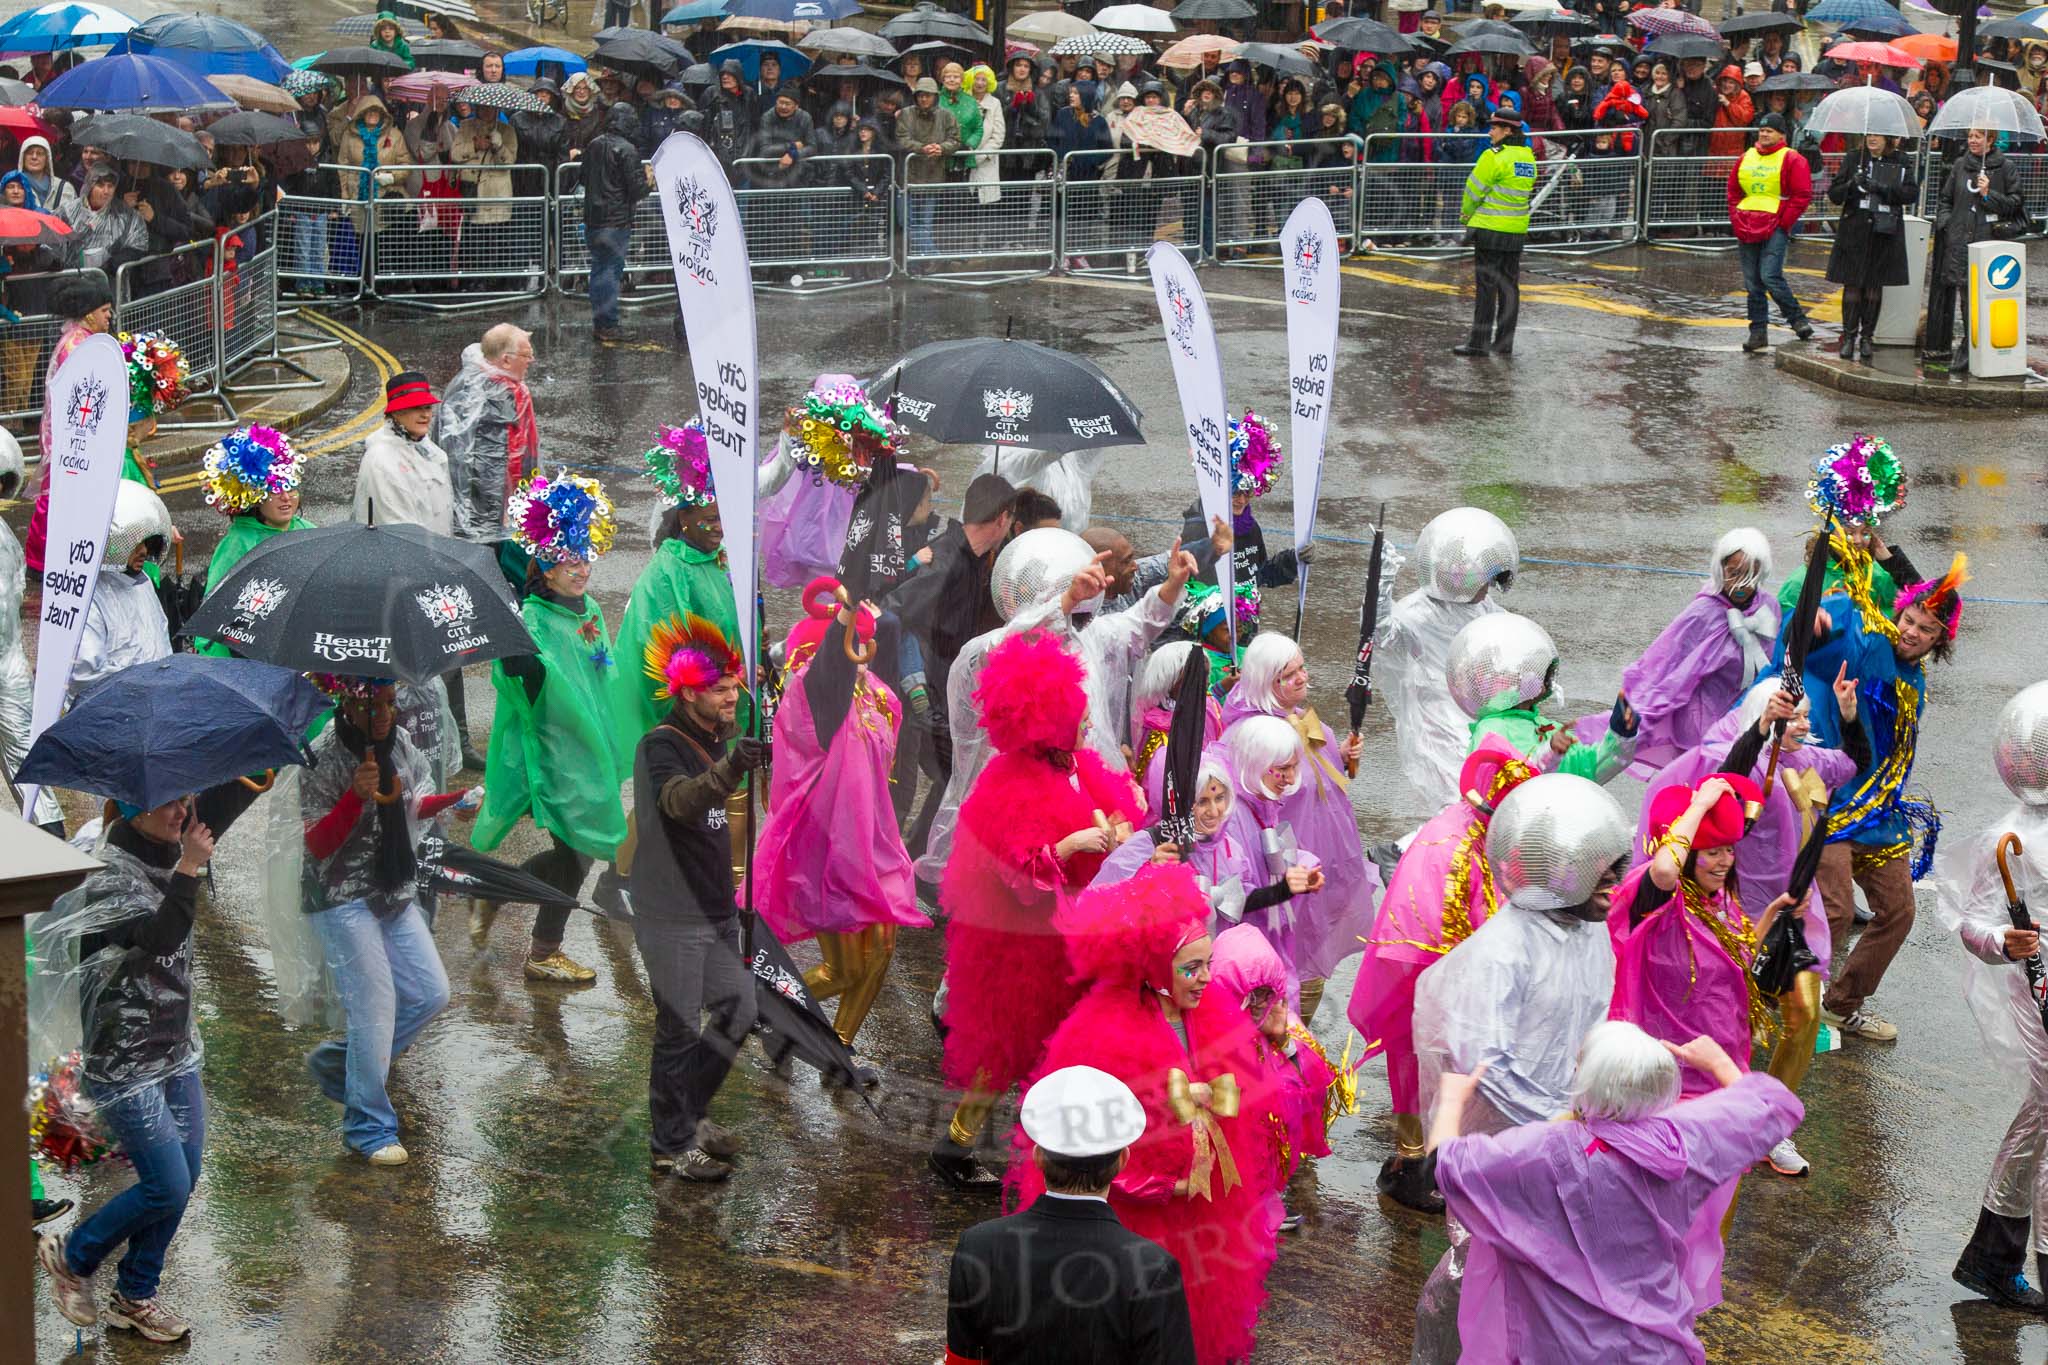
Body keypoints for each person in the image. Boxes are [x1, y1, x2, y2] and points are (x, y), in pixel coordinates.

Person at [1005, 865, 1283, 1365]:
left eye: (1207, 964)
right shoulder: (1101, 1032)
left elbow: (1241, 1106)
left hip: (1199, 1208)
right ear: (1155, 965)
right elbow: (1079, 1143)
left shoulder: (1213, 1015)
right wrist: (1159, 1181)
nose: (1203, 980)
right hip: (1130, 1216)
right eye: (1190, 968)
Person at [1409, 772, 1633, 1364]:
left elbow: (1590, 1026)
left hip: (1564, 1131)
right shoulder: (1501, 952)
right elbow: (1484, 1063)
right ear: (1560, 874)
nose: (1615, 883)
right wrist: (1554, 1127)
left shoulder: (1590, 936)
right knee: (1477, 1269)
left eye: (1615, 867)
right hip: (1503, 1136)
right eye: (1601, 872)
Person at [30, 774, 263, 1341]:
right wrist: (189, 869)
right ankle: (74, 1256)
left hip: (175, 1048)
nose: (183, 810)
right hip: (122, 1060)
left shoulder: (170, 844)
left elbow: (234, 794)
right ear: (134, 808)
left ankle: (134, 1294)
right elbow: (158, 936)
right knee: (165, 1184)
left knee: (185, 1175)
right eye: (170, 801)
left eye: (187, 798)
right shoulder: (109, 874)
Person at [1430, 1023, 1803, 1364]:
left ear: (1585, 1079)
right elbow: (1769, 1109)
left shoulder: (1540, 1152)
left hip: (1560, 1348)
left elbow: (1441, 1167)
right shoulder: (1686, 1140)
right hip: (1658, 1347)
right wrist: (1719, 1061)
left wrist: (1451, 1100)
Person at [929, 629, 1144, 1192]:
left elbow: (1121, 810)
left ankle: (1055, 1150)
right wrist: (1074, 845)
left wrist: (1115, 829)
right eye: (1074, 715)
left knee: (1059, 1041)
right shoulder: (1008, 784)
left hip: (1068, 936)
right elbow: (1018, 873)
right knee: (1006, 1047)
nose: (1084, 724)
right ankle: (954, 1144)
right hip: (1021, 946)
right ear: (1044, 720)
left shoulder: (1073, 766)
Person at [1637, 682, 1860, 1179]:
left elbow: (1850, 765)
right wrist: (1761, 730)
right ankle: (1690, 1118)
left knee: (1804, 1016)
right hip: (1729, 921)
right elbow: (1729, 779)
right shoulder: (1738, 761)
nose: (1806, 724)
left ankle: (1769, 1126)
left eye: (1806, 715)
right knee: (1723, 1027)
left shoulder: (1806, 762)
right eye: (1795, 715)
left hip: (1788, 919)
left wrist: (1848, 717)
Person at [1757, 553, 1965, 1046]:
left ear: (1941, 640)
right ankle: (1762, 993)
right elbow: (1806, 649)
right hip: (1827, 795)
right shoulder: (1868, 639)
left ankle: (1840, 1004)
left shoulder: (1915, 679)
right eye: (1909, 620)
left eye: (1926, 629)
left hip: (1878, 810)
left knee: (1898, 912)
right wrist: (1813, 625)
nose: (1911, 632)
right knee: (1830, 912)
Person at [1348, 737, 1537, 1213]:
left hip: (1459, 983)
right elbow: (1439, 932)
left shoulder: (1488, 836)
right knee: (1418, 1067)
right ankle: (1415, 1162)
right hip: (1425, 981)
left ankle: (1439, 1153)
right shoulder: (1450, 844)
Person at [750, 588, 921, 1080]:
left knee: (884, 949)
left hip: (875, 852)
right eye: (851, 645)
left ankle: (838, 1049)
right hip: (826, 856)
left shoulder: (880, 697)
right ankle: (769, 1013)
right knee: (842, 970)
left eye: (865, 646)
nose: (862, 656)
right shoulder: (811, 699)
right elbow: (828, 673)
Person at [472, 471, 631, 982]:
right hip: (557, 760)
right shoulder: (533, 623)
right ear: (542, 565)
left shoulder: (584, 612)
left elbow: (604, 674)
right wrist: (525, 662)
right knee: (576, 855)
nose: (579, 568)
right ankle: (543, 952)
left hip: (590, 754)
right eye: (567, 559)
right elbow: (524, 690)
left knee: (576, 856)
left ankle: (498, 890)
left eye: (584, 556)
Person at [300, 677, 462, 1166]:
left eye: (392, 702)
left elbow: (412, 805)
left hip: (393, 888)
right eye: (376, 704)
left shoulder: (400, 742)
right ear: (348, 702)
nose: (388, 713)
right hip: (340, 894)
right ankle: (367, 1125)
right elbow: (316, 845)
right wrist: (353, 796)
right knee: (377, 1004)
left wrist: (454, 800)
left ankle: (342, 1063)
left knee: (432, 993)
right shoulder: (323, 754)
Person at [628, 613, 768, 1181]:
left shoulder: (718, 737)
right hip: (670, 916)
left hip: (714, 912)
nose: (732, 697)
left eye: (734, 686)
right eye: (719, 689)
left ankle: (692, 1113)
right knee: (680, 1028)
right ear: (687, 693)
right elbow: (679, 803)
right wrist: (733, 766)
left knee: (741, 1009)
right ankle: (670, 1143)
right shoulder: (660, 746)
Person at [944, 1065, 1196, 1364]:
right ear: (1123, 1161)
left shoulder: (978, 1246)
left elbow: (963, 1360)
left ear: (1038, 1156)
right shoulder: (1154, 1269)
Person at [1942, 683, 2048, 1311]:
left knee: (2041, 1115)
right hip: (2031, 989)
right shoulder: (2007, 841)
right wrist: (2002, 942)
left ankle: (1992, 1256)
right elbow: (1964, 917)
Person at [1217, 635, 1378, 1019]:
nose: (1304, 677)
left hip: (1317, 862)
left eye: (1302, 667)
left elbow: (1316, 776)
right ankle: (1290, 1036)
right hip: (1282, 873)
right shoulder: (1253, 738)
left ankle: (1300, 1039)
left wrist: (1338, 755)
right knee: (1292, 957)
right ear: (1269, 682)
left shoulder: (1300, 720)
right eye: (1291, 673)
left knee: (1314, 960)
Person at [1574, 528, 1778, 776]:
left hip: (1743, 717)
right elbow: (1666, 667)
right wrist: (1639, 714)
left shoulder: (1768, 609)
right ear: (1720, 568)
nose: (1741, 584)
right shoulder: (1702, 613)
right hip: (1700, 723)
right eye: (1733, 573)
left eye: (1749, 575)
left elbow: (1772, 662)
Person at [611, 421, 745, 747]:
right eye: (711, 519)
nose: (720, 528)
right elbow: (662, 657)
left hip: (728, 702)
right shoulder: (667, 576)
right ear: (683, 519)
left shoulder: (723, 556)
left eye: (725, 518)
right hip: (693, 723)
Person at [1382, 507, 1518, 810]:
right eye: (1483, 582)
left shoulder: (1484, 608)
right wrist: (1380, 588)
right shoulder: (1419, 613)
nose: (1488, 589)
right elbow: (1382, 635)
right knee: (1458, 792)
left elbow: (1509, 637)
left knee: (1485, 786)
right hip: (1439, 714)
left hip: (1478, 710)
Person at [1446, 613, 1635, 781]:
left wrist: (1620, 737)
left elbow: (1589, 770)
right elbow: (1507, 783)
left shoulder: (1549, 728)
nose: (1541, 677)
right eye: (1531, 670)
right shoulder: (1491, 729)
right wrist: (1550, 752)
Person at [193, 427, 312, 657]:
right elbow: (215, 614)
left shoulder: (309, 531)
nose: (286, 497)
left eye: (289, 487)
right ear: (254, 496)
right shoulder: (237, 544)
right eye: (273, 490)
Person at [432, 323, 539, 542]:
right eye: (526, 355)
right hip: (484, 507)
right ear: (506, 360)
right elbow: (479, 464)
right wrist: (496, 516)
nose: (531, 360)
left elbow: (524, 450)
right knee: (486, 556)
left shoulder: (508, 387)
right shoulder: (484, 392)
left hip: (504, 503)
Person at [1928, 126, 2023, 373]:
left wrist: (1988, 193)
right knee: (1966, 297)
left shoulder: (2005, 168)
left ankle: (1975, 347)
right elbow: (1946, 199)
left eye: (1978, 136)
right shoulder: (1961, 165)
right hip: (1960, 241)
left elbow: (2015, 204)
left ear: (1990, 140)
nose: (1972, 140)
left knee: (1985, 298)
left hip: (1989, 240)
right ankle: (1969, 346)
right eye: (1970, 136)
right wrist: (1946, 223)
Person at [70, 480, 174, 701]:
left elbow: (160, 638)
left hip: (155, 701)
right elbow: (85, 673)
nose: (143, 551)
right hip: (114, 710)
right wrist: (142, 683)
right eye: (134, 543)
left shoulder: (142, 581)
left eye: (147, 542)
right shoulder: (92, 596)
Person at [1824, 133, 1916, 364]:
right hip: (1854, 230)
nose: (1872, 139)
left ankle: (1867, 337)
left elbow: (1910, 194)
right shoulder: (1854, 157)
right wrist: (1851, 184)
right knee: (1852, 284)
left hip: (1883, 231)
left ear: (1887, 138)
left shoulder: (1900, 160)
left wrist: (1882, 188)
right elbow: (1834, 195)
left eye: (1877, 135)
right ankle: (1849, 337)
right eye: (1869, 135)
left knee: (1874, 286)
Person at [1728, 113, 1816, 353]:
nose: (1764, 133)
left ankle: (1797, 319)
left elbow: (1801, 195)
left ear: (1782, 135)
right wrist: (1736, 217)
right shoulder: (1746, 156)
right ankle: (1758, 332)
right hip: (1747, 224)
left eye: (1770, 130)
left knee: (1770, 276)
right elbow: (1733, 191)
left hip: (1774, 225)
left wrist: (1783, 223)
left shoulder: (1792, 159)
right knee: (1753, 283)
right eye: (1762, 130)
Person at [1451, 110, 1533, 358]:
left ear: (1508, 131)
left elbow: (1473, 191)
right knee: (1510, 288)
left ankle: (1478, 343)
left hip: (1489, 229)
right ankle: (1504, 343)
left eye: (1495, 127)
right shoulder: (1527, 157)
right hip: (1516, 231)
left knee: (1486, 288)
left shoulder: (1493, 156)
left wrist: (1466, 216)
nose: (1490, 131)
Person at [581, 102, 650, 343]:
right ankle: (608, 324)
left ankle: (602, 322)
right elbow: (638, 190)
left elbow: (582, 177)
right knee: (610, 272)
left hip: (593, 220)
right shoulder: (627, 149)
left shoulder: (594, 144)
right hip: (616, 221)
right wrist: (649, 180)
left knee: (599, 270)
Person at [352, 370, 453, 533]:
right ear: (396, 413)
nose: (425, 414)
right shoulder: (381, 461)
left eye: (427, 407)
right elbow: (398, 529)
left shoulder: (429, 450)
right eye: (415, 408)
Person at [897, 77, 960, 258]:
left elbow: (955, 139)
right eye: (921, 95)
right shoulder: (905, 114)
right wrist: (921, 148)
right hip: (908, 176)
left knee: (925, 223)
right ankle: (934, 257)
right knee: (906, 221)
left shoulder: (946, 115)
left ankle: (923, 261)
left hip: (933, 175)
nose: (924, 99)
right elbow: (902, 138)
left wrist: (941, 148)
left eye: (928, 96)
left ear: (935, 97)